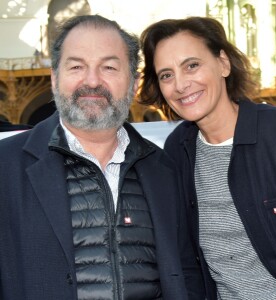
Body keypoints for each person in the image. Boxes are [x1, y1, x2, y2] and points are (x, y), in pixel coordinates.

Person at [0, 15, 203, 300]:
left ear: (134, 84)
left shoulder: (164, 168)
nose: (92, 81)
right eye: (76, 66)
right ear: (55, 79)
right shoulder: (5, 168)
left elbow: (187, 271)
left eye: (108, 67)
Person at [139, 16, 276, 299]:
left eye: (192, 65)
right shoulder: (177, 151)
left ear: (223, 63)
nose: (180, 84)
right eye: (166, 75)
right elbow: (185, 256)